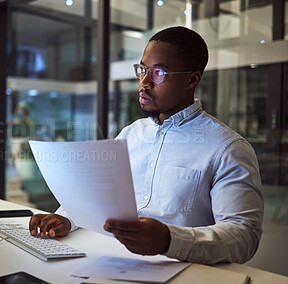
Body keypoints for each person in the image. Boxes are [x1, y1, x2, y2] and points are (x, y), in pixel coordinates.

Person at [29, 26, 263, 264]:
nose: (144, 82)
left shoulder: (228, 148)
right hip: (112, 261)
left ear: (192, 79)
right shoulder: (130, 135)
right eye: (142, 69)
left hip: (183, 272)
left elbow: (244, 235)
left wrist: (170, 240)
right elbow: (99, 197)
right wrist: (66, 218)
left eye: (158, 73)